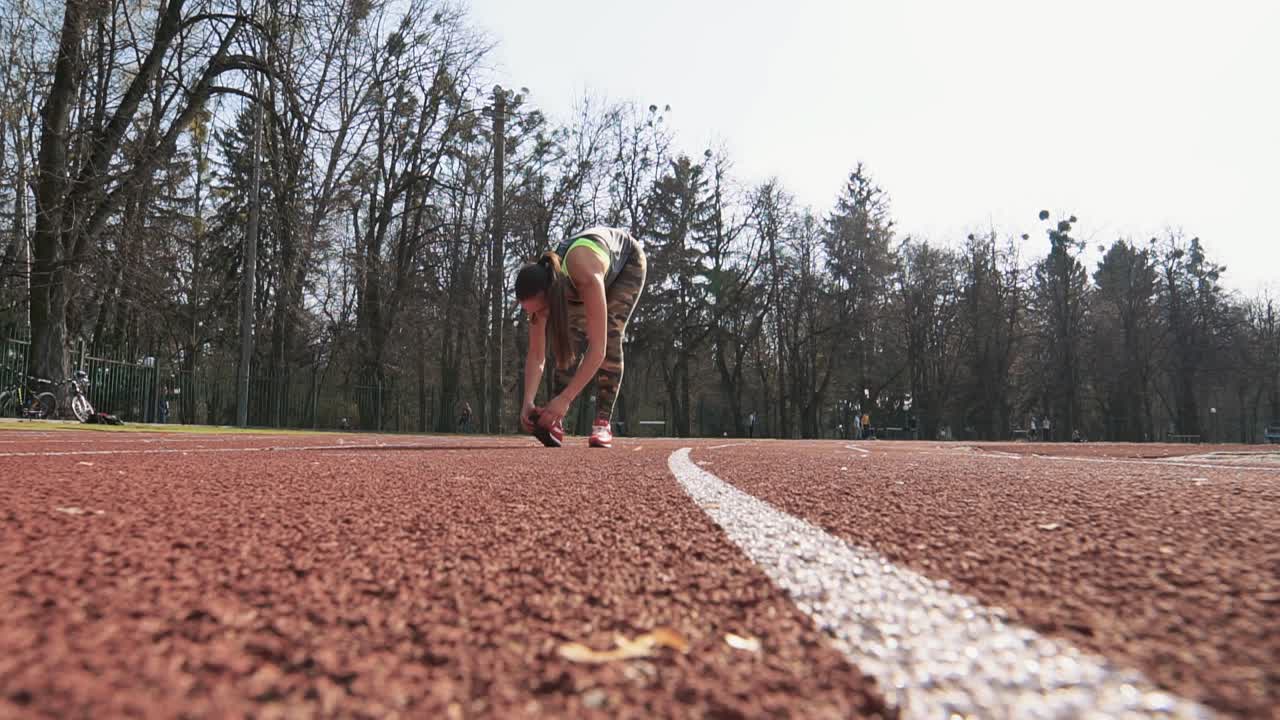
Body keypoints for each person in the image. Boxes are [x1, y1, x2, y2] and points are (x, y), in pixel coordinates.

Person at [514, 227, 647, 448]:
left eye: (542, 311)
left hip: (626, 265)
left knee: (610, 334)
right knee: (569, 341)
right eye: (532, 313)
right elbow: (537, 356)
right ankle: (554, 417)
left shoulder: (583, 273)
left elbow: (598, 349)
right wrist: (527, 401)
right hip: (577, 281)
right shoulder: (541, 298)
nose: (539, 318)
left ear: (552, 295)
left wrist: (566, 399)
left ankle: (602, 422)